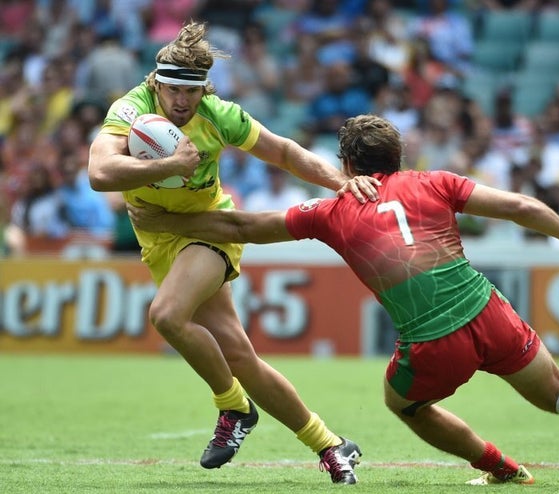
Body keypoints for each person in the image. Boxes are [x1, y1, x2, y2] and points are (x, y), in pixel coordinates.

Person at [128, 114, 559, 485]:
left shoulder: (332, 210)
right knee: (558, 392)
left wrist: (160, 216)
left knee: (404, 405)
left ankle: (498, 467)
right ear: (399, 159)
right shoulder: (436, 182)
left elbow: (243, 229)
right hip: (487, 308)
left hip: (432, 343)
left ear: (349, 166)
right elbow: (520, 206)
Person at [87, 21, 378, 484]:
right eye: (172, 89)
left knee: (166, 315)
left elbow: (284, 152)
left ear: (204, 88)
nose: (181, 101)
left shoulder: (220, 114)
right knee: (240, 357)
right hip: (158, 240)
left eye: (191, 91)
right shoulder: (131, 108)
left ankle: (234, 407)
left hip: (209, 230)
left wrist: (343, 183)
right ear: (155, 82)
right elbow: (100, 173)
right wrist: (172, 164)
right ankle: (331, 444)